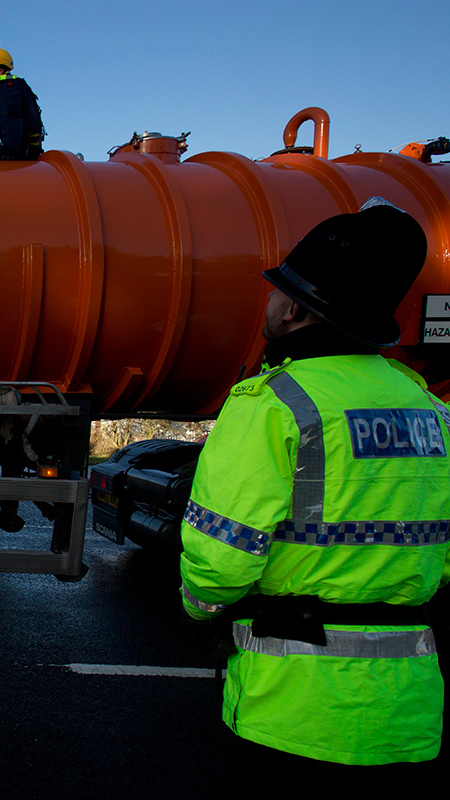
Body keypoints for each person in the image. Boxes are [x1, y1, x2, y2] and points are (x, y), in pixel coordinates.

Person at [178, 199, 450, 794]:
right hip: (407, 713)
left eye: (276, 290)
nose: (270, 301)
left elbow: (220, 555)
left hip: (295, 711)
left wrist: (199, 609)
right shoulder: (430, 409)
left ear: (295, 308)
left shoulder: (275, 404)